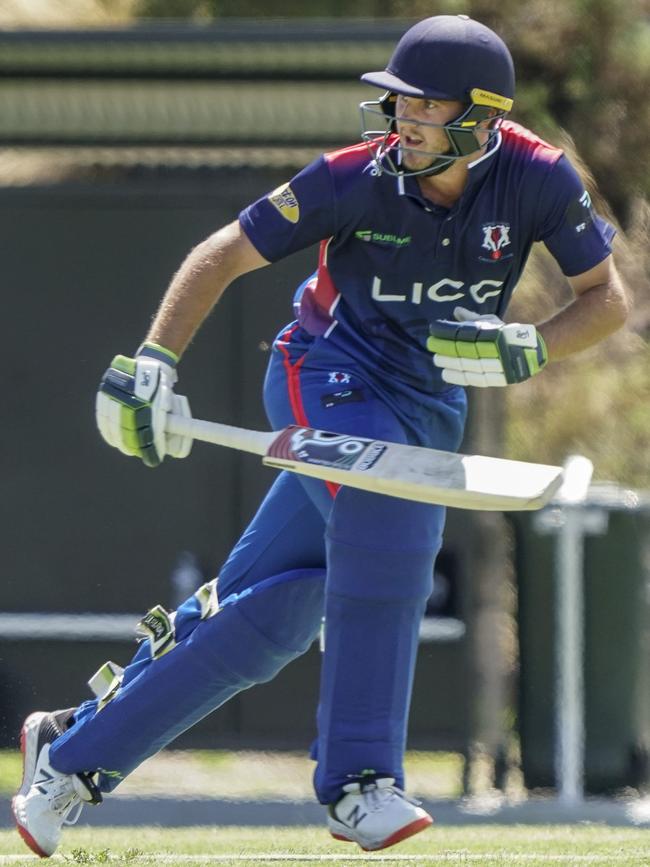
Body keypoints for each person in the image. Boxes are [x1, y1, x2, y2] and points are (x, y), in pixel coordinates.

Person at [13, 14, 628, 858]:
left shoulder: (541, 180)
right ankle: (359, 782)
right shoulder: (351, 177)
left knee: (278, 609)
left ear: (481, 119)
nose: (402, 123)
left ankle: (71, 751)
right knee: (392, 530)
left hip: (430, 403)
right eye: (398, 106)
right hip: (325, 372)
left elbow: (608, 297)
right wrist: (155, 358)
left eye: (424, 109)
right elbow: (223, 251)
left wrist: (533, 343)